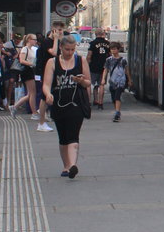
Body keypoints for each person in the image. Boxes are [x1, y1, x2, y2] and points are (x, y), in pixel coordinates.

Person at [43, 33, 90, 179]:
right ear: (61, 48)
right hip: (58, 104)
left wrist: (81, 81)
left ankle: (72, 166)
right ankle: (66, 165)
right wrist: (48, 94)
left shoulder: (81, 61)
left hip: (76, 104)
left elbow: (88, 82)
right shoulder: (52, 62)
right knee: (63, 137)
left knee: (73, 135)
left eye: (72, 49)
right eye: (67, 49)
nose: (70, 52)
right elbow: (46, 84)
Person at [36, 22, 65, 132]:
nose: (60, 32)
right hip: (46, 72)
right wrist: (57, 39)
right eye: (58, 30)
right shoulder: (47, 42)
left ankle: (49, 116)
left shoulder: (57, 41)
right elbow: (54, 53)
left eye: (61, 30)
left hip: (55, 72)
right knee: (45, 97)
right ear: (53, 30)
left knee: (53, 95)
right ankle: (41, 122)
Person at [10, 34, 40, 115]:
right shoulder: (25, 49)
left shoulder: (32, 49)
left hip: (29, 70)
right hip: (26, 71)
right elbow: (22, 60)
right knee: (32, 93)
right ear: (29, 40)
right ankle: (34, 112)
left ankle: (15, 107)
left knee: (30, 93)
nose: (35, 41)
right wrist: (32, 64)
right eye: (34, 39)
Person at [103, 42, 129, 122]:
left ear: (118, 50)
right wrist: (103, 79)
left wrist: (130, 80)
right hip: (112, 81)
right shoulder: (108, 60)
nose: (113, 51)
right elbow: (106, 70)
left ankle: (117, 113)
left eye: (114, 49)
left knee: (117, 96)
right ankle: (117, 111)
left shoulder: (123, 60)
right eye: (111, 49)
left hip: (121, 81)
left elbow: (127, 70)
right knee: (114, 98)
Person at [88, 28, 112, 109]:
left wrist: (87, 64)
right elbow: (110, 55)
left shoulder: (93, 43)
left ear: (95, 34)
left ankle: (93, 100)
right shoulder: (107, 43)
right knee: (101, 84)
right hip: (104, 67)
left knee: (92, 84)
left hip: (93, 66)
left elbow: (89, 55)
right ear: (103, 34)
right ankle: (100, 102)